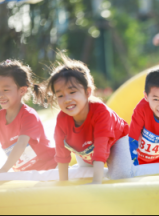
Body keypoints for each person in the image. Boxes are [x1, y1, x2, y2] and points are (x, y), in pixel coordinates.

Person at [46, 55, 133, 184]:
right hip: (85, 147)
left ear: (87, 92)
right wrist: (63, 183)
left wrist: (96, 182)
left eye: (72, 92)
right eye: (60, 95)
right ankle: (83, 170)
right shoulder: (62, 119)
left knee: (122, 175)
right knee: (84, 175)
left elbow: (101, 147)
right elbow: (61, 154)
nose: (67, 99)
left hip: (114, 140)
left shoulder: (101, 113)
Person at [0, 60, 57, 175]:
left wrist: (3, 170)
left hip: (50, 169)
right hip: (24, 176)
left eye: (5, 90)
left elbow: (21, 144)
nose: (0, 95)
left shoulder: (29, 116)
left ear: (22, 90)